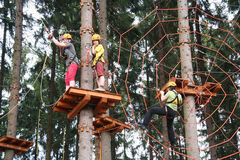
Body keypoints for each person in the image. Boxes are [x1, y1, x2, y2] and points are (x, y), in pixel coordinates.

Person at [140, 81, 182, 147]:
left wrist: (162, 93)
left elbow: (162, 99)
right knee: (170, 127)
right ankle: (173, 142)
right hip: (173, 113)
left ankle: (144, 125)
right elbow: (180, 102)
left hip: (167, 110)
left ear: (169, 87)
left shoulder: (169, 92)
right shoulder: (179, 95)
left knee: (151, 110)